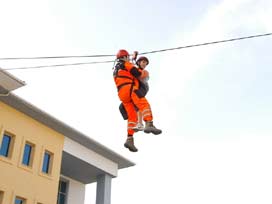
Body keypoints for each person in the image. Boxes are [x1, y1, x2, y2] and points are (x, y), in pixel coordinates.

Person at [113, 49, 162, 152]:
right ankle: (149, 124)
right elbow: (135, 72)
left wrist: (134, 58)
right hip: (130, 89)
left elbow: (129, 69)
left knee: (132, 117)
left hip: (122, 94)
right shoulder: (125, 63)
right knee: (144, 104)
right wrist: (142, 73)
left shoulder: (116, 68)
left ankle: (129, 139)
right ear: (125, 57)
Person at [119, 56, 150, 130]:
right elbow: (131, 68)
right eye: (143, 62)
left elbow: (136, 73)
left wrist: (128, 62)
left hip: (142, 88)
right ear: (139, 63)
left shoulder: (145, 72)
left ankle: (140, 124)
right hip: (134, 89)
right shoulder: (135, 68)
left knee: (137, 104)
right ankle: (134, 122)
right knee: (122, 107)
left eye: (145, 63)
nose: (144, 65)